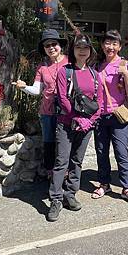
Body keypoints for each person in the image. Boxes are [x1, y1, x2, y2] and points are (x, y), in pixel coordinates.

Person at [48, 35, 102, 222]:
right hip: (66, 123)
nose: (82, 50)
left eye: (85, 47)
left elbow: (99, 102)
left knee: (77, 161)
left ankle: (70, 194)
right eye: (78, 47)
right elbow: (63, 98)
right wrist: (78, 118)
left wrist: (89, 121)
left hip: (86, 127)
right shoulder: (65, 72)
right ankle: (55, 199)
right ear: (73, 50)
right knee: (61, 161)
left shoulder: (96, 75)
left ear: (90, 51)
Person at [92, 30, 128, 205]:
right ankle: (104, 184)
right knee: (101, 151)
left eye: (114, 44)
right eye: (107, 43)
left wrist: (126, 74)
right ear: (102, 45)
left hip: (118, 115)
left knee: (121, 152)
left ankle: (127, 187)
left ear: (119, 46)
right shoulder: (97, 65)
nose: (110, 47)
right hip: (99, 115)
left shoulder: (124, 64)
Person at [13, 29, 68, 179]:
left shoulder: (70, 63)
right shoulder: (42, 68)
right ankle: (51, 174)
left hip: (67, 112)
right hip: (48, 111)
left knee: (65, 143)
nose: (51, 47)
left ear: (60, 45)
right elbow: (37, 90)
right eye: (47, 45)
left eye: (54, 44)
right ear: (44, 49)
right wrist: (24, 87)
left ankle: (66, 173)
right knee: (49, 143)